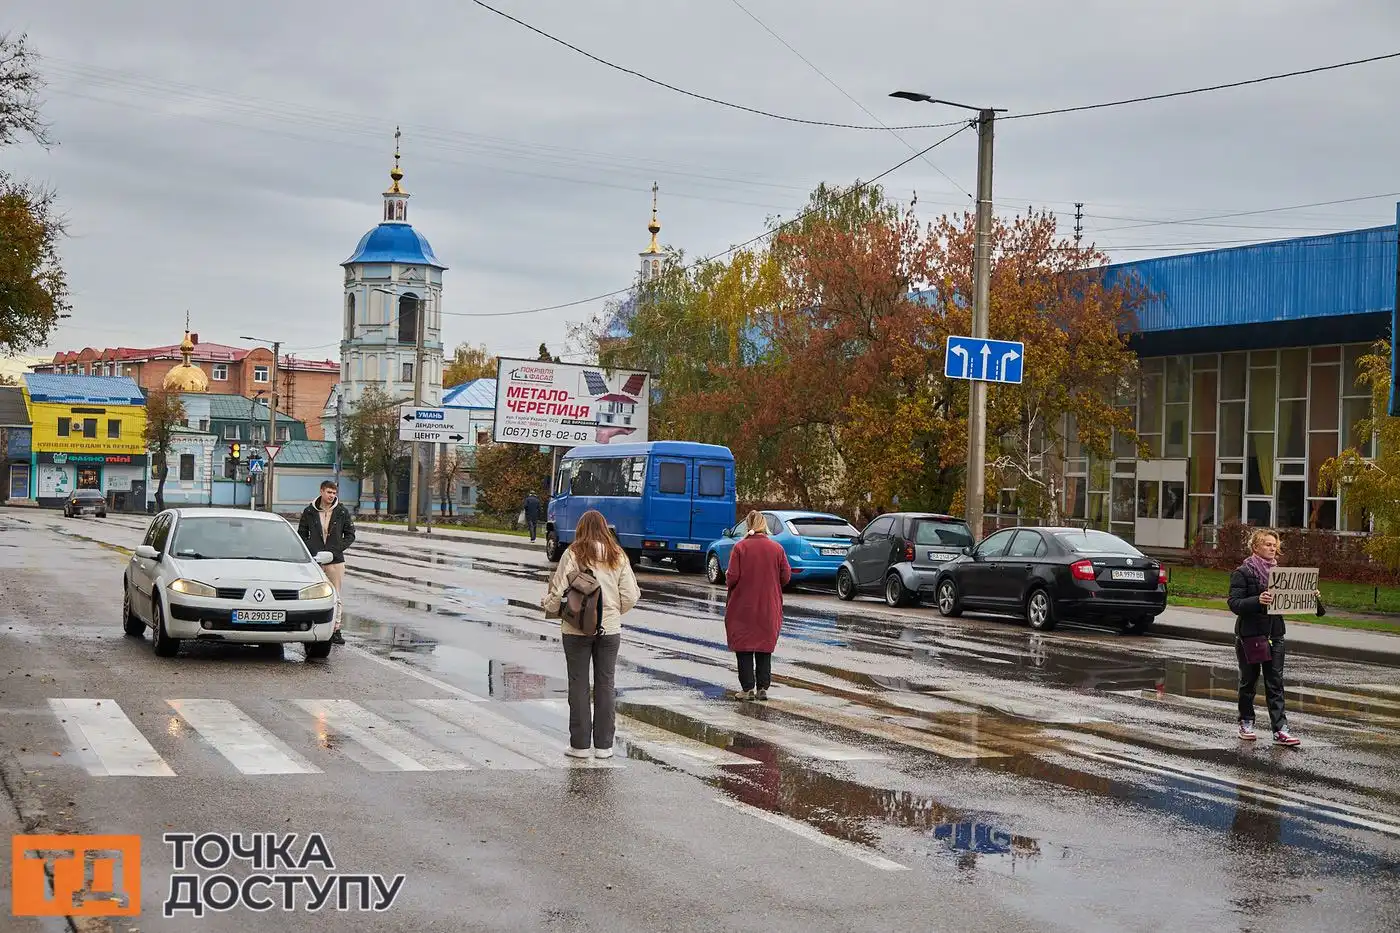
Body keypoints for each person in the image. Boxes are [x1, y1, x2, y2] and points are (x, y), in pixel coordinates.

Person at [542, 509, 640, 759]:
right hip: (609, 629)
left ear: (581, 529)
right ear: (605, 528)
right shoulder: (617, 555)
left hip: (576, 629)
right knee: (606, 684)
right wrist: (613, 612)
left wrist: (549, 606)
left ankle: (580, 746)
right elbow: (630, 595)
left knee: (578, 684)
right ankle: (605, 746)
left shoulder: (573, 553)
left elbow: (560, 589)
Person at [1227, 528, 1324, 746]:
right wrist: (1257, 600)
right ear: (1255, 547)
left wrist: (1312, 597)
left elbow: (1317, 611)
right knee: (1248, 681)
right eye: (1268, 544)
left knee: (1275, 683)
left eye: (1274, 545)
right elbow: (1234, 603)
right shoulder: (1243, 572)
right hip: (1250, 635)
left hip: (1275, 633)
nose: (1272, 548)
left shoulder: (1282, 576)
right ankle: (1246, 722)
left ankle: (1280, 729)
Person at [723, 510, 792, 701]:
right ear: (764, 525)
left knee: (744, 646)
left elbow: (732, 578)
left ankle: (747, 689)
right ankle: (763, 688)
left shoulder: (740, 547)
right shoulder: (777, 549)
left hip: (743, 606)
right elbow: (786, 577)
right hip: (769, 606)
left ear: (748, 526)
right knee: (764, 646)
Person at [297, 480, 357, 645]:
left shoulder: (341, 512)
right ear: (321, 491)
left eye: (334, 493)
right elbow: (301, 534)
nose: (331, 496)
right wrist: (313, 551)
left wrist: (334, 552)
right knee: (311, 593)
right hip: (315, 560)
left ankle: (336, 630)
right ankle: (310, 626)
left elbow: (350, 535)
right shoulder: (309, 511)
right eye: (329, 492)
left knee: (335, 594)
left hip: (335, 560)